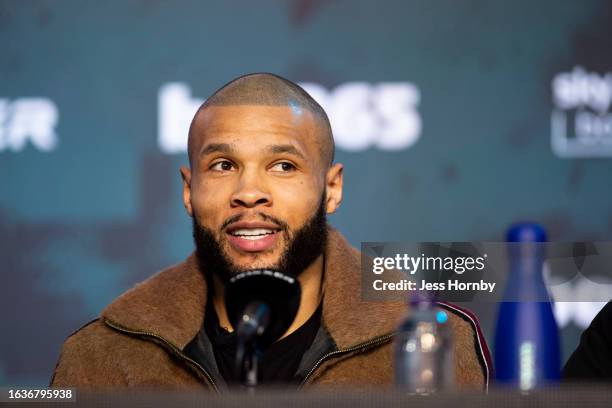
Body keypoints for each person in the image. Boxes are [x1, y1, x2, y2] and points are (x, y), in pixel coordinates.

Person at [50, 73, 491, 389]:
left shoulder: (431, 339)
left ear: (331, 188)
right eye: (223, 166)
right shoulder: (103, 352)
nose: (249, 193)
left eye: (283, 166)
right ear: (189, 190)